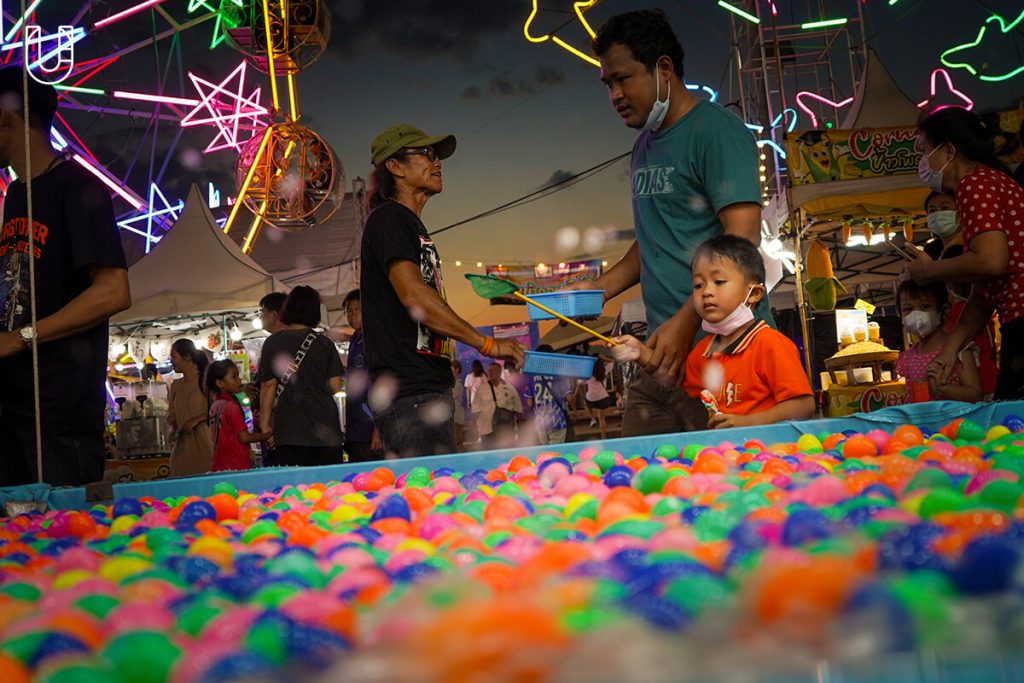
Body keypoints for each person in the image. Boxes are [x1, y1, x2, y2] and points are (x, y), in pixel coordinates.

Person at [572, 10, 765, 438]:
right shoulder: (643, 147)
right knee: (638, 485)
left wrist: (686, 322)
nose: (615, 94)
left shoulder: (718, 133)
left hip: (725, 357)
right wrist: (593, 293)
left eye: (623, 78)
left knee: (733, 489)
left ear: (663, 69)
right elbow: (652, 242)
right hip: (660, 362)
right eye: (608, 84)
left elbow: (742, 241)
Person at [360, 123, 524, 458]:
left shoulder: (409, 224)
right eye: (426, 154)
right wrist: (487, 343)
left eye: (437, 156)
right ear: (395, 166)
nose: (437, 163)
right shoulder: (389, 218)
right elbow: (415, 296)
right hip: (411, 396)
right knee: (430, 504)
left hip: (425, 393)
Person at [0, 70, 131, 487]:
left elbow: (114, 291)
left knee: (67, 539)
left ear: (6, 119)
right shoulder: (15, 195)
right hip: (14, 405)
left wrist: (22, 337)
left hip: (60, 413)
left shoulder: (77, 189)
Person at [613, 235, 813, 429]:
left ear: (754, 294)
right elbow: (677, 382)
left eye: (718, 282)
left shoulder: (770, 344)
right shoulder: (704, 350)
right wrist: (640, 353)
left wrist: (747, 423)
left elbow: (803, 405)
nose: (706, 292)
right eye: (698, 285)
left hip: (769, 454)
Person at [908, 107, 1024, 399]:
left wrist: (930, 270)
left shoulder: (974, 183)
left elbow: (990, 261)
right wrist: (948, 352)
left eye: (925, 150)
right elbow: (984, 294)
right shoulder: (993, 181)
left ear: (948, 150)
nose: (923, 161)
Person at [921, 191, 999, 399]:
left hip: (971, 344)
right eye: (932, 211)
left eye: (946, 207)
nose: (939, 214)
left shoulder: (970, 248)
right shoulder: (938, 251)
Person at [258, 285, 344, 467]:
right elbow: (336, 386)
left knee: (294, 490)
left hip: (290, 431)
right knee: (328, 488)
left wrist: (265, 425)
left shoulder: (272, 343)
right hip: (326, 430)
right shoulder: (325, 343)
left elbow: (268, 387)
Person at [894, 281, 982, 404]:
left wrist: (943, 389)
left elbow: (975, 395)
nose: (916, 314)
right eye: (908, 309)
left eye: (924, 306)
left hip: (955, 422)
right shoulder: (908, 357)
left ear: (944, 309)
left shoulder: (958, 350)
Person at [206, 359, 271, 472]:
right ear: (220, 383)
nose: (239, 380)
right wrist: (267, 435)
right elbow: (245, 437)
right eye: (234, 377)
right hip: (237, 464)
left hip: (219, 463)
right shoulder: (231, 407)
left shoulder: (215, 405)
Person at [167, 339, 214, 476]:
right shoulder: (175, 385)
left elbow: (216, 410)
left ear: (187, 357)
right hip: (182, 446)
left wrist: (197, 419)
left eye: (174, 357)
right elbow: (172, 414)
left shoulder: (205, 381)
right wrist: (172, 427)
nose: (171, 361)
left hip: (206, 443)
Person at [341, 289, 377, 463]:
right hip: (356, 428)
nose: (353, 314)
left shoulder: (374, 339)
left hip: (371, 427)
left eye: (358, 310)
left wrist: (378, 427)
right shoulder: (355, 340)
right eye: (349, 310)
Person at [471, 362, 523, 449]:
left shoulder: (509, 388)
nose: (489, 373)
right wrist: (475, 427)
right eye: (488, 371)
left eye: (492, 371)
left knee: (506, 452)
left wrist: (520, 427)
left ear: (499, 372)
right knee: (489, 453)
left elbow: (518, 408)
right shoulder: (481, 389)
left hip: (505, 430)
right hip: (486, 429)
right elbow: (476, 410)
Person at [530, 344, 573, 445]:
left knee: (546, 452)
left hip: (540, 421)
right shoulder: (558, 375)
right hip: (557, 419)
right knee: (555, 453)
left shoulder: (531, 376)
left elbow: (529, 402)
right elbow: (569, 398)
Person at [502, 357, 534, 444]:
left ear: (507, 367)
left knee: (522, 436)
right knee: (531, 435)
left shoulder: (507, 381)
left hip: (518, 412)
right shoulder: (525, 378)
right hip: (530, 410)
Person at [582, 359, 615, 439]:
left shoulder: (588, 375)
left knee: (585, 404)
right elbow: (612, 362)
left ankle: (593, 419)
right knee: (601, 418)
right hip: (602, 397)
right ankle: (603, 437)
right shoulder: (603, 372)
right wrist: (603, 357)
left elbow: (580, 382)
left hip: (591, 398)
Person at [451, 359, 466, 452]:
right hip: (452, 415)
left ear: (457, 369)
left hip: (457, 415)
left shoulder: (458, 383)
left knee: (458, 441)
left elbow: (452, 395)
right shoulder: (453, 383)